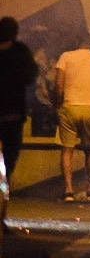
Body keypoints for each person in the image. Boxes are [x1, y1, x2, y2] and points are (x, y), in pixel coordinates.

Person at [54, 32, 90, 201]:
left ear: (77, 42)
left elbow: (59, 86)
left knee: (67, 150)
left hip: (69, 107)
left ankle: (68, 190)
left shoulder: (65, 57)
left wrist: (58, 105)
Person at [0, 16, 39, 185]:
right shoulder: (21, 51)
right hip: (13, 113)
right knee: (10, 154)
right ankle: (3, 184)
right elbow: (30, 76)